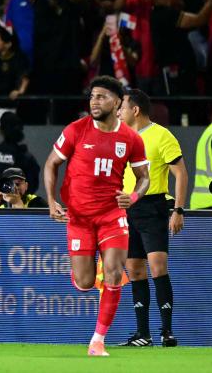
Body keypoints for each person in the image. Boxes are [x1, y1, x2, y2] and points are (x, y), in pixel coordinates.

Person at [43, 75, 150, 356]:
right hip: (78, 217)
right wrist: (52, 201)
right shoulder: (76, 130)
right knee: (85, 282)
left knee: (114, 274)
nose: (94, 101)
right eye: (92, 96)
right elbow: (51, 164)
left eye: (101, 96)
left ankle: (97, 341)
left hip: (112, 215)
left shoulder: (130, 138)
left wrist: (135, 196)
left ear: (118, 102)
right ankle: (84, 274)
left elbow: (144, 178)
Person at [117, 89, 188, 347]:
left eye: (121, 107)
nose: (118, 112)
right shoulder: (121, 137)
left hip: (154, 207)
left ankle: (167, 332)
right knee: (134, 270)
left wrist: (178, 209)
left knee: (158, 266)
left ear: (135, 110)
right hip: (127, 208)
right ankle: (142, 334)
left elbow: (180, 173)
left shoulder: (162, 136)